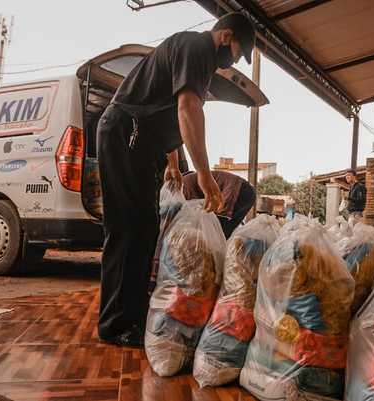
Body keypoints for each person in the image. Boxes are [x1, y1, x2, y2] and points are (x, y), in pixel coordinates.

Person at [96, 13, 255, 347]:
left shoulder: (195, 54)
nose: (234, 62)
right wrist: (205, 175)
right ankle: (116, 325)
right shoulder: (197, 47)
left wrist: (171, 159)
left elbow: (166, 110)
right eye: (238, 53)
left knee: (144, 229)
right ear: (225, 36)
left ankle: (131, 318)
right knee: (129, 228)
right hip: (126, 131)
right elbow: (187, 108)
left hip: (136, 135)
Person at [178, 170, 256, 239]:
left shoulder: (183, 186)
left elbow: (196, 209)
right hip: (248, 192)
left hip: (237, 191)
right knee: (225, 233)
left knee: (217, 232)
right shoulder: (187, 180)